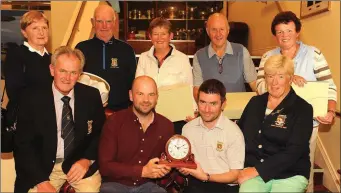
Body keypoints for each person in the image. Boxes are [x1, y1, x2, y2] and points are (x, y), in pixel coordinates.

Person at [256, 11, 337, 192]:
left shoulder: (314, 54)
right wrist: (286, 78)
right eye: (280, 32)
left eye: (289, 30)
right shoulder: (267, 57)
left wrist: (331, 111)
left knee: (302, 173)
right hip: (274, 125)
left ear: (298, 32)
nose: (285, 36)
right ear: (275, 35)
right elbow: (260, 87)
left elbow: (329, 86)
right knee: (275, 170)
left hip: (306, 125)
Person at [14, 46, 106, 192]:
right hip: (43, 167)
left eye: (73, 72)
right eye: (62, 71)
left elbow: (100, 134)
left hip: (79, 163)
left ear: (80, 74)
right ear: (52, 70)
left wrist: (87, 160)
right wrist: (41, 181)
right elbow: (23, 145)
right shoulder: (31, 98)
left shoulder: (91, 96)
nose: (67, 78)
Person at [237, 55, 313, 192]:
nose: (274, 82)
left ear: (290, 78)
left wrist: (257, 170)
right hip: (254, 172)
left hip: (290, 173)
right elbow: (238, 134)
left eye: (281, 76)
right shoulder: (255, 103)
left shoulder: (303, 109)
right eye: (270, 76)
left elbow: (293, 152)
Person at [98, 76, 174, 193]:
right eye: (140, 94)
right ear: (131, 95)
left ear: (157, 97)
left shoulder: (166, 126)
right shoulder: (114, 122)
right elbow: (105, 166)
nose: (146, 100)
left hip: (148, 186)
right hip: (115, 186)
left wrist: (165, 168)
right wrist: (142, 171)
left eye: (151, 94)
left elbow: (168, 161)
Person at [179, 79, 245, 193]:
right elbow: (184, 162)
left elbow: (236, 175)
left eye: (213, 103)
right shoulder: (187, 129)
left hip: (225, 186)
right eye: (203, 102)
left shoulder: (234, 132)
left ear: (223, 104)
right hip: (196, 184)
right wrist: (183, 168)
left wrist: (206, 176)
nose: (207, 109)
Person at [3, 10, 52, 153]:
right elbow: (15, 92)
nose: (41, 32)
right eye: (35, 28)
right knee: (28, 171)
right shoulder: (16, 55)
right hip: (27, 126)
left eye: (44, 28)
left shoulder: (54, 59)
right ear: (24, 32)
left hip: (50, 124)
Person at [135, 17, 194, 134]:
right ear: (150, 36)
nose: (159, 38)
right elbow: (138, 86)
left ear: (171, 36)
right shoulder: (143, 58)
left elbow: (189, 87)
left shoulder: (182, 59)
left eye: (163, 34)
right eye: (155, 34)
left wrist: (192, 112)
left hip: (176, 118)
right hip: (149, 116)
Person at [75, 5, 137, 112]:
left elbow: (134, 83)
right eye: (99, 21)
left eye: (108, 21)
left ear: (114, 22)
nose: (104, 26)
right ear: (92, 22)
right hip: (88, 110)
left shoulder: (127, 50)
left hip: (120, 112)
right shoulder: (81, 48)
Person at [192, 13, 257, 101]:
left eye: (222, 29)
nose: (218, 34)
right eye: (214, 29)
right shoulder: (199, 56)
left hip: (239, 110)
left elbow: (254, 83)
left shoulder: (242, 51)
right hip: (212, 111)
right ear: (207, 31)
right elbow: (197, 90)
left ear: (228, 30)